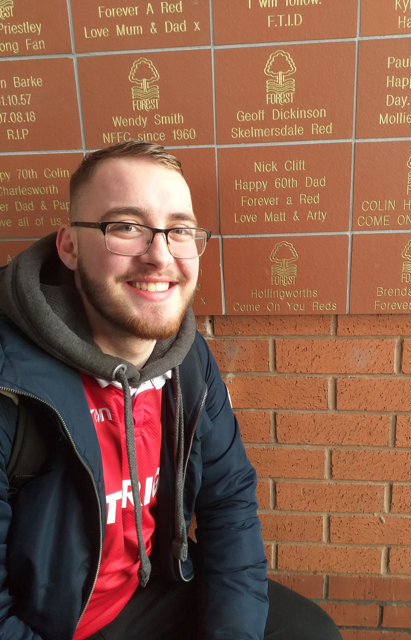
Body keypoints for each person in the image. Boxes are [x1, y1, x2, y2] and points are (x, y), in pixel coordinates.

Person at [0, 141, 342, 639]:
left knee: (309, 632)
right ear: (70, 245)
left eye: (178, 229)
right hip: (54, 623)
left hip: (153, 589)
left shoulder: (188, 361)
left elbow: (229, 503)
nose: (159, 255)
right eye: (125, 227)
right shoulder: (11, 383)